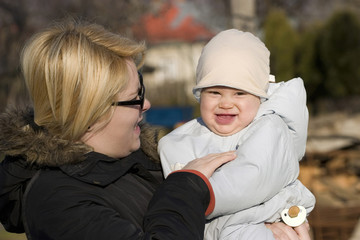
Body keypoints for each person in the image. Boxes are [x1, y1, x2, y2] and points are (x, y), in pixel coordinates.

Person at [0, 20, 310, 240]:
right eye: (135, 97)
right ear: (91, 112)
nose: (147, 104)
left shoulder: (141, 161)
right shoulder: (59, 202)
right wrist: (188, 188)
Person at [158, 29, 315, 239]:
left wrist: (200, 193)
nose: (225, 103)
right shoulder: (180, 141)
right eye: (214, 92)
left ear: (260, 97)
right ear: (199, 95)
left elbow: (253, 175)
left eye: (239, 93)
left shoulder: (271, 129)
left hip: (266, 217)